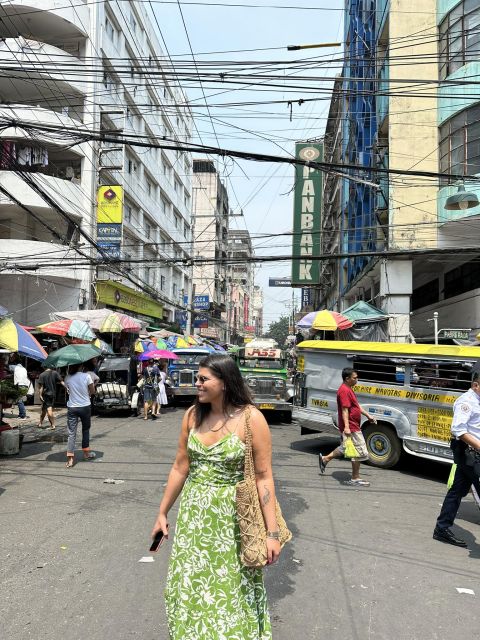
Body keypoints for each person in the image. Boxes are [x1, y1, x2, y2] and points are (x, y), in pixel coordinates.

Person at [151, 353, 279, 639]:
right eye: (198, 378)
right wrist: (162, 512)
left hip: (233, 520)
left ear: (224, 382)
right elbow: (180, 466)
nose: (196, 384)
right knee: (191, 582)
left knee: (230, 586)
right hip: (194, 519)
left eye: (203, 379)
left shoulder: (251, 419)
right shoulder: (193, 416)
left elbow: (263, 477)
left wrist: (272, 534)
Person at [433, 374, 480, 547]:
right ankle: (442, 528)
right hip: (468, 452)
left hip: (471, 452)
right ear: (475, 385)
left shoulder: (478, 400)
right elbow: (459, 429)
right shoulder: (466, 402)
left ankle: (442, 528)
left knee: (457, 490)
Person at [318, 367, 377, 487]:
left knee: (346, 447)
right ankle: (355, 478)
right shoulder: (344, 391)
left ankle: (325, 459)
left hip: (352, 425)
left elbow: (356, 406)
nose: (357, 380)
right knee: (359, 452)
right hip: (351, 427)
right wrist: (347, 427)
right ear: (347, 378)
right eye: (355, 378)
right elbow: (345, 410)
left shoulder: (349, 389)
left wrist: (368, 415)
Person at [64, 364, 95, 468]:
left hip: (72, 408)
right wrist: (88, 393)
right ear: (81, 366)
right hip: (85, 407)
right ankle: (86, 454)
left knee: (71, 433)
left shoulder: (67, 377)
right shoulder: (86, 376)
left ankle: (70, 459)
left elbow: (68, 390)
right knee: (85, 430)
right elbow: (93, 391)